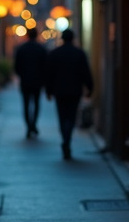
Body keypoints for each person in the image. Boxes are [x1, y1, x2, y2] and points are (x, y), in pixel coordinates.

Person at [44, 28, 93, 159]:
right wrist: (90, 88)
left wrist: (48, 91)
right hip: (74, 90)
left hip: (59, 91)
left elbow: (49, 74)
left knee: (62, 116)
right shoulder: (79, 53)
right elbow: (86, 72)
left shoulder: (55, 53)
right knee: (71, 117)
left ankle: (65, 139)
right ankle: (67, 139)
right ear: (73, 38)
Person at [13, 27, 48, 138]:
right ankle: (33, 125)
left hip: (25, 81)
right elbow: (46, 67)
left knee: (26, 104)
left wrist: (23, 75)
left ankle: (29, 126)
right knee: (36, 104)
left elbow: (17, 67)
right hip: (37, 82)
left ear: (27, 35)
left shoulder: (22, 48)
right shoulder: (41, 49)